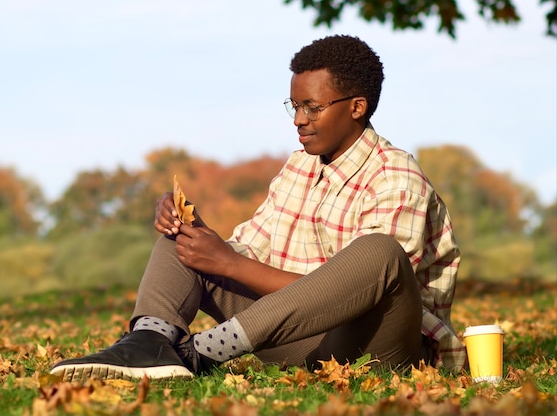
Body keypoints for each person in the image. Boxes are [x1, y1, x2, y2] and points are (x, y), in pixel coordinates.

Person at [50, 35, 467, 382]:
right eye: (295, 106)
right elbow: (247, 250)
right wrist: (197, 234)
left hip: (375, 346)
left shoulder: (395, 175)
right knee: (183, 241)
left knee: (380, 251)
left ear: (356, 107)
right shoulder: (298, 167)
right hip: (298, 341)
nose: (299, 119)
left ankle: (200, 354)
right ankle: (149, 345)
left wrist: (229, 264)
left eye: (313, 107)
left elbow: (362, 292)